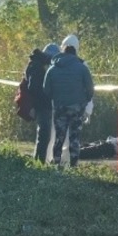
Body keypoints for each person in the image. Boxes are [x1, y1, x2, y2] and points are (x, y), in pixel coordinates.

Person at [43, 35, 94, 167]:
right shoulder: (82, 67)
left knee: (58, 137)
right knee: (74, 137)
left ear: (62, 50)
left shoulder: (52, 68)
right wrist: (85, 102)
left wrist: (54, 98)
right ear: (75, 51)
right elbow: (90, 88)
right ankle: (74, 164)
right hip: (77, 107)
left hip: (59, 106)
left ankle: (56, 163)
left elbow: (46, 89)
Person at [26, 43, 60, 163]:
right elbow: (33, 87)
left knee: (43, 134)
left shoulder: (35, 63)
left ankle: (38, 160)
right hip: (42, 104)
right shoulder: (39, 66)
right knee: (44, 135)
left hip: (41, 103)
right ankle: (39, 162)